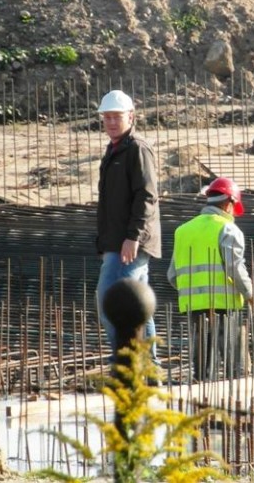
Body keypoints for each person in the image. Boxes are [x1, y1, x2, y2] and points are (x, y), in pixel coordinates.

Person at [167, 177, 254, 382]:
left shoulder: (182, 231)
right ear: (229, 203)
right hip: (224, 306)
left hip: (193, 306)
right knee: (236, 370)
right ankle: (237, 405)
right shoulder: (228, 229)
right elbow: (235, 269)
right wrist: (251, 297)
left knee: (203, 369)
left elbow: (172, 275)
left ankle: (203, 403)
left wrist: (195, 291)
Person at [95, 90, 161, 365]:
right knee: (136, 305)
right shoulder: (113, 151)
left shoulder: (137, 149)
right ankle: (146, 365)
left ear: (131, 117)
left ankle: (130, 361)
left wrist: (133, 236)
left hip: (130, 242)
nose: (111, 121)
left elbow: (147, 196)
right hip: (116, 242)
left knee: (110, 299)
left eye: (116, 116)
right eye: (106, 117)